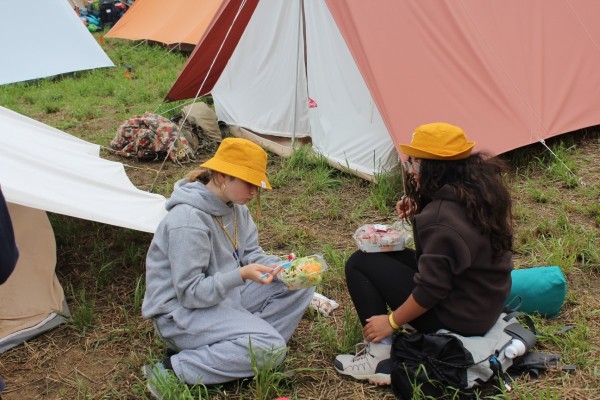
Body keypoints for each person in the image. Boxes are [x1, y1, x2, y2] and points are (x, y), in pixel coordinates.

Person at [334, 122, 514, 385]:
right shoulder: (481, 192)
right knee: (385, 257)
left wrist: (391, 322)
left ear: (434, 168)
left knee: (359, 263)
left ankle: (380, 356)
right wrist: (422, 205)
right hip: (482, 305)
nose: (411, 170)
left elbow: (432, 289)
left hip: (459, 319)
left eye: (416, 163)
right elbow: (451, 250)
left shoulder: (439, 217)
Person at [141, 138, 315, 396]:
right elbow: (190, 293)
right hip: (180, 315)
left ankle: (243, 355)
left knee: (300, 285)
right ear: (223, 176)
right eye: (249, 183)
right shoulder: (188, 220)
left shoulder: (236, 208)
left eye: (257, 184)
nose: (254, 192)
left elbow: (251, 254)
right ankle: (172, 370)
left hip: (223, 298)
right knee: (271, 347)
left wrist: (286, 267)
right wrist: (241, 275)